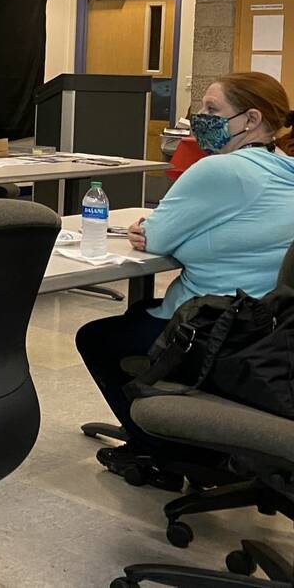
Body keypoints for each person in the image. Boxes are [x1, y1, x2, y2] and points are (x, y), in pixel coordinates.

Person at [76, 72, 294, 486]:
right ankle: (201, 443)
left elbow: (157, 235)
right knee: (140, 311)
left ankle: (159, 451)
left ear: (251, 119)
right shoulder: (286, 169)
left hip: (216, 329)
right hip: (272, 330)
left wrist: (154, 227)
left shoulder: (222, 171)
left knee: (98, 338)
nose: (200, 119)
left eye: (213, 110)